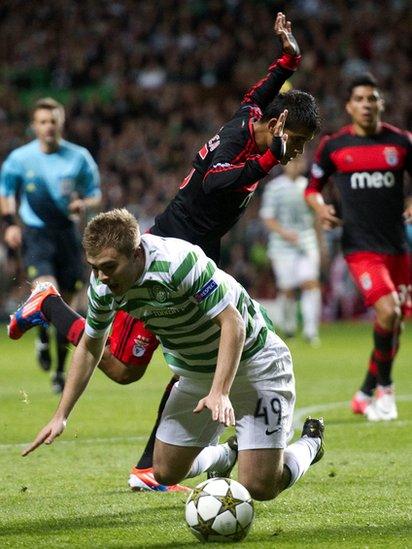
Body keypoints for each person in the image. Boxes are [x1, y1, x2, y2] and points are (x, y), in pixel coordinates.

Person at [9, 12, 321, 491]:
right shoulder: (237, 150)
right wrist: (268, 159)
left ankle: (163, 460)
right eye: (296, 142)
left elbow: (256, 93)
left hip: (197, 250)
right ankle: (47, 304)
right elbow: (218, 183)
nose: (295, 152)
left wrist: (288, 59)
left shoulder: (251, 117)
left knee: (191, 350)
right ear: (280, 126)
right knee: (122, 367)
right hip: (168, 252)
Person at [22, 208, 325, 504]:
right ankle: (229, 452)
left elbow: (233, 322)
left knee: (259, 486)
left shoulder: (178, 262)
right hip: (195, 375)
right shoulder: (103, 287)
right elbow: (90, 346)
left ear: (136, 253)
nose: (101, 276)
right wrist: (61, 415)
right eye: (94, 266)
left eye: (109, 266)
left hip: (256, 363)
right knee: (163, 472)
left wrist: (219, 392)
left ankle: (311, 444)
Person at [305, 73, 412, 421]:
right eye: (360, 100)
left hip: (398, 247)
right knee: (389, 312)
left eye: (372, 98)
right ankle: (385, 391)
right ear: (350, 106)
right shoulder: (335, 146)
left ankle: (365, 391)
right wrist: (321, 208)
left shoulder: (401, 142)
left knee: (393, 323)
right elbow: (312, 187)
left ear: (381, 103)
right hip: (360, 248)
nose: (367, 105)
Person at [0, 97, 101, 393]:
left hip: (68, 236)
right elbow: (6, 192)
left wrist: (84, 203)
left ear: (61, 123)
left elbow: (95, 193)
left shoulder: (78, 157)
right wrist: (9, 226)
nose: (48, 127)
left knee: (67, 306)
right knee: (48, 291)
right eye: (43, 122)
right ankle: (43, 334)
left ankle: (58, 368)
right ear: (34, 126)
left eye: (53, 121)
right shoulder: (20, 159)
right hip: (36, 234)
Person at [259, 156, 323, 344]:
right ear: (285, 164)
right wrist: (284, 233)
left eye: (300, 162)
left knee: (311, 283)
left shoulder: (309, 187)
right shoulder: (274, 188)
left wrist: (321, 244)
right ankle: (289, 328)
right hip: (282, 247)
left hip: (307, 244)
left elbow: (317, 217)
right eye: (293, 162)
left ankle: (311, 330)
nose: (296, 166)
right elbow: (268, 217)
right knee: (287, 289)